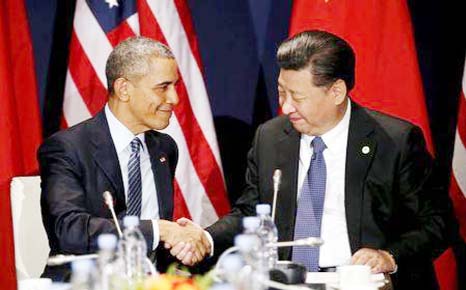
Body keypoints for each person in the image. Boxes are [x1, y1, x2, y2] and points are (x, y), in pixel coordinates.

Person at [175, 30, 457, 289]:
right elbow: (251, 211)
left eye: (297, 97)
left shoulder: (394, 141)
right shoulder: (271, 137)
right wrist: (206, 237)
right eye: (281, 92)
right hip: (286, 282)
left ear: (336, 91)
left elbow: (438, 223)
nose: (285, 107)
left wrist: (388, 256)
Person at [39, 36, 210, 281]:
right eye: (163, 87)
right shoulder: (68, 148)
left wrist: (186, 243)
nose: (174, 98)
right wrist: (160, 230)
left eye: (175, 86)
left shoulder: (164, 149)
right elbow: (69, 230)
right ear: (124, 89)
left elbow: (156, 246)